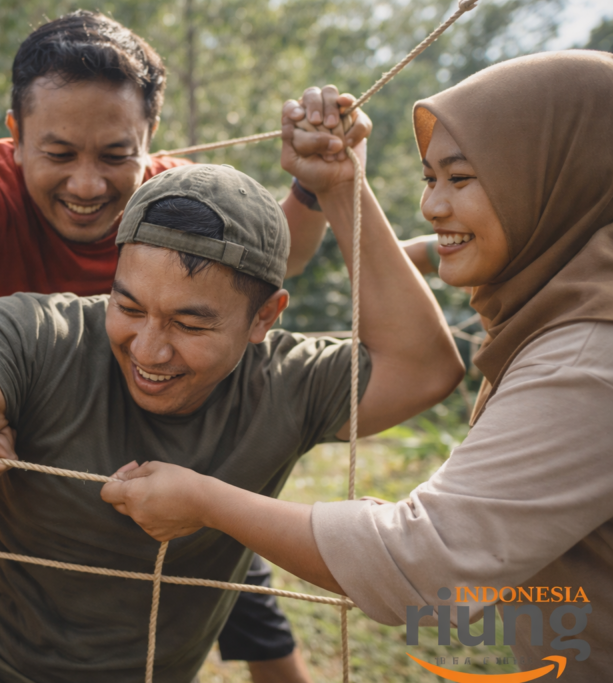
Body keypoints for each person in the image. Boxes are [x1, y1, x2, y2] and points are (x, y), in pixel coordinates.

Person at [0, 157, 463, 680]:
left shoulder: (289, 380)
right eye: (128, 306)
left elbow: (426, 369)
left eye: (191, 323)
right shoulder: (35, 332)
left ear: (265, 318)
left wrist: (341, 187)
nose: (149, 350)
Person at [0, 11, 369, 680]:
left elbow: (273, 266)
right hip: (19, 446)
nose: (88, 185)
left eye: (116, 155)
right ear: (16, 138)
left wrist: (312, 185)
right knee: (7, 618)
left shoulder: (175, 199)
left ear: (150, 140)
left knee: (247, 607)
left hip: (183, 440)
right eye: (59, 153)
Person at [98, 50, 613, 681]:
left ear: (554, 176)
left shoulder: (589, 354)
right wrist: (340, 187)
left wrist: (204, 500)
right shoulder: (573, 295)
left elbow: (423, 561)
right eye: (430, 180)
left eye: (461, 178)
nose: (433, 206)